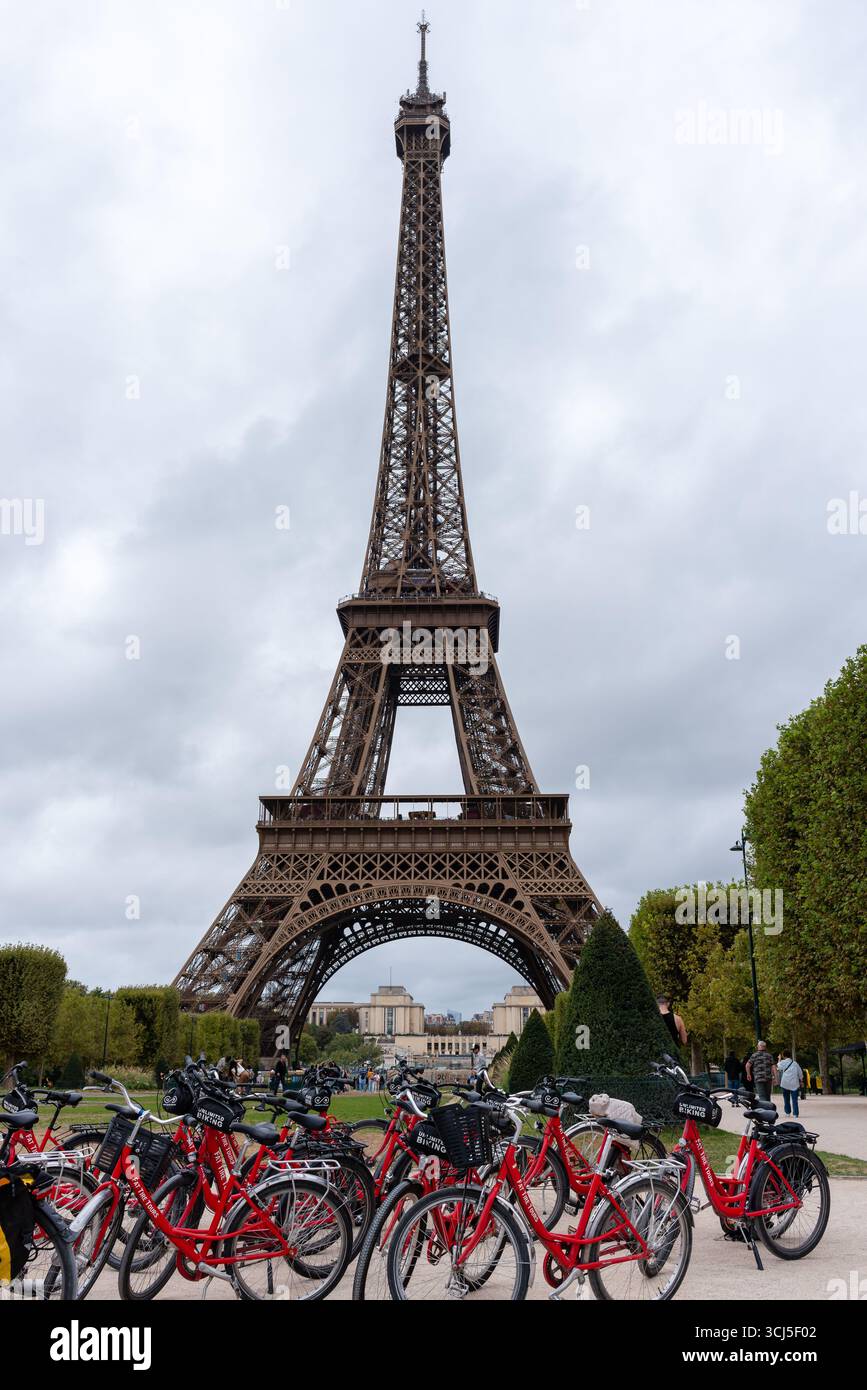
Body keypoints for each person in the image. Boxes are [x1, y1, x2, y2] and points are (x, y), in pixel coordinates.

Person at [777, 1052, 804, 1117]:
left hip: (785, 1083)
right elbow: (800, 1073)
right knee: (795, 1100)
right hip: (794, 1084)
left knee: (786, 1099)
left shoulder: (782, 1062)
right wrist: (801, 1080)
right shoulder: (795, 1063)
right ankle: (795, 1114)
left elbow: (779, 1067)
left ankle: (787, 1112)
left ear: (783, 1056)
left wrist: (779, 1059)